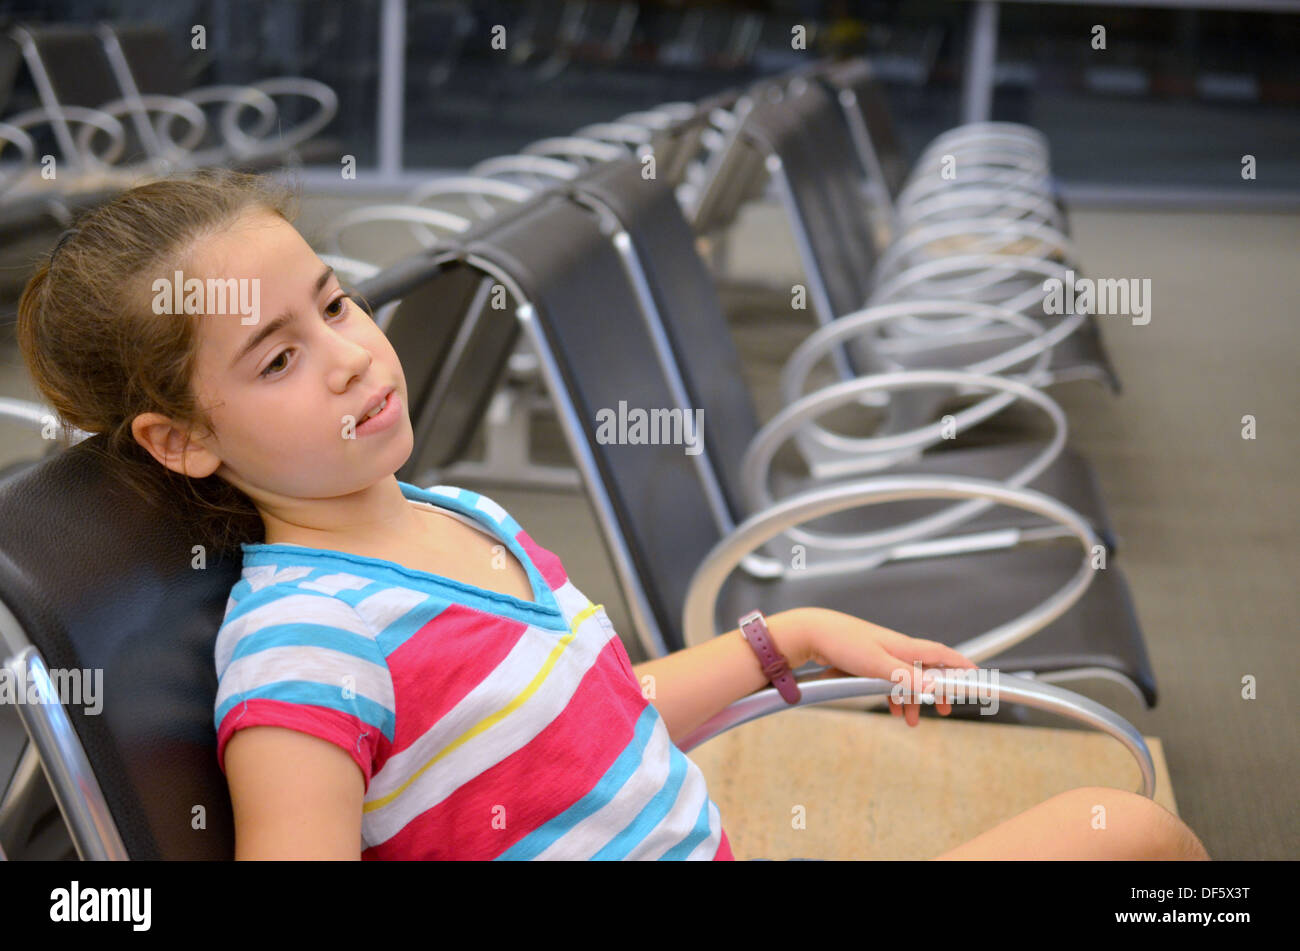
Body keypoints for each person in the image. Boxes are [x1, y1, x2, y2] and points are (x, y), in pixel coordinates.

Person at [15, 169, 1209, 861]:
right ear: (185, 442)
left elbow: (586, 720)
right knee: (1133, 840)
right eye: (276, 360)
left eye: (334, 303)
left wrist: (779, 640)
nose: (348, 358)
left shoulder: (454, 514)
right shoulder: (309, 642)